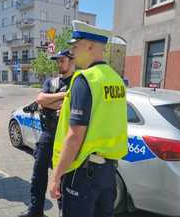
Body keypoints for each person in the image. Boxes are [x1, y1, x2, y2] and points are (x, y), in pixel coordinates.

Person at [49, 20, 128, 217]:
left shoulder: (85, 79)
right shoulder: (116, 79)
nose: (72, 51)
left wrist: (56, 175)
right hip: (108, 172)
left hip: (82, 173)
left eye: (75, 46)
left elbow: (75, 136)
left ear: (90, 46)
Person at [18, 50, 75, 217]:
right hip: (48, 133)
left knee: (63, 177)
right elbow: (41, 100)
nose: (58, 64)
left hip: (66, 136)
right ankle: (36, 211)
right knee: (38, 174)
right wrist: (64, 96)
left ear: (72, 60)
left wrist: (52, 101)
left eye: (62, 60)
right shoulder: (52, 81)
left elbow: (71, 106)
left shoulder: (79, 81)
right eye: (57, 61)